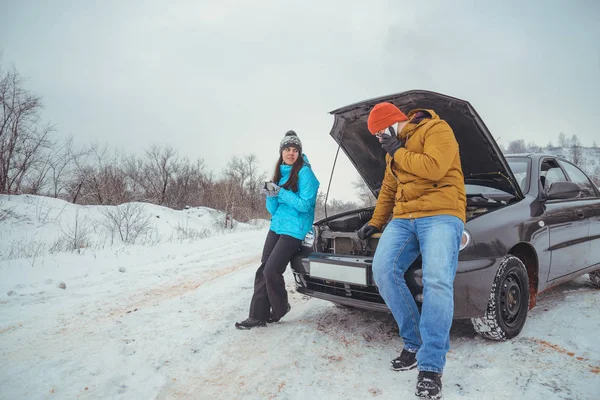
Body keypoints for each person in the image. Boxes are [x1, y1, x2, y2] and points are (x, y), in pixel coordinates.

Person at [357, 102, 466, 399]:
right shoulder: (395, 150)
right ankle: (414, 341)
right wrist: (376, 221)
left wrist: (397, 149)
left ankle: (431, 366)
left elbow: (434, 168)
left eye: (380, 131)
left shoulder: (437, 129)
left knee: (437, 281)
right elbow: (389, 190)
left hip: (442, 212)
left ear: (393, 121)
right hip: (405, 219)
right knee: (382, 270)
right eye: (376, 134)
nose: (379, 137)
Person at [235, 130, 319, 330]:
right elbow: (273, 210)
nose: (291, 153)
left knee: (272, 270)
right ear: (281, 152)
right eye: (287, 149)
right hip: (277, 225)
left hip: (295, 230)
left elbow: (305, 205)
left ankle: (281, 308)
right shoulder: (279, 173)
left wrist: (281, 192)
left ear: (299, 153)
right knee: (264, 268)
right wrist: (270, 195)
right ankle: (257, 316)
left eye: (294, 150)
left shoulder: (305, 173)